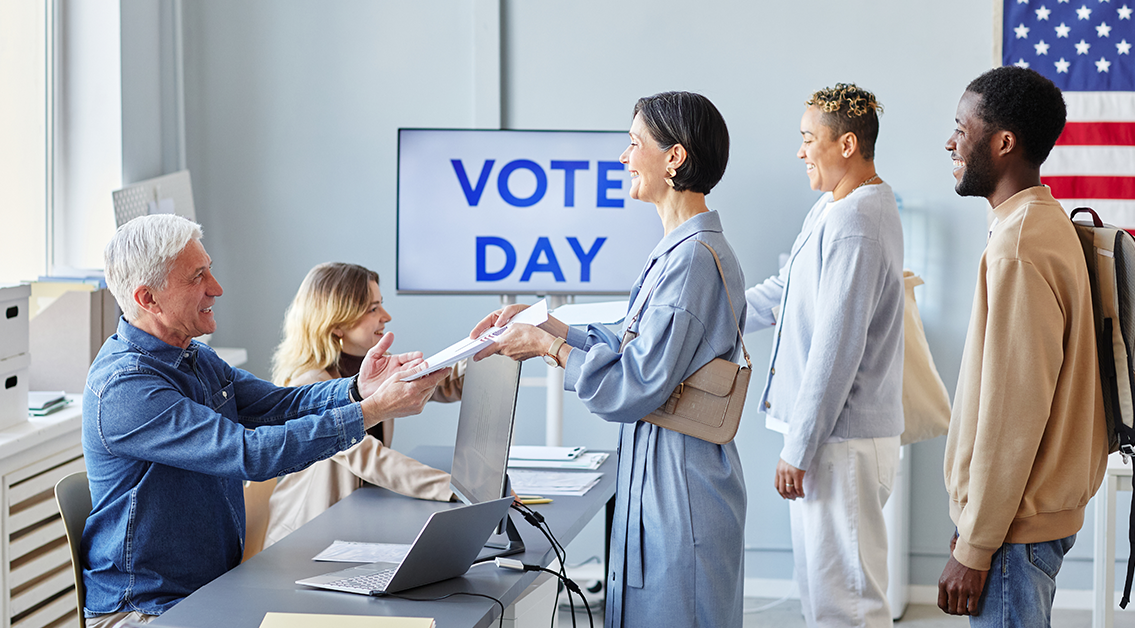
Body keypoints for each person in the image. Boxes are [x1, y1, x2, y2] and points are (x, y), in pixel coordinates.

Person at [81, 215, 447, 626]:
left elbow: (279, 404)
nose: (216, 288)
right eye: (198, 276)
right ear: (148, 299)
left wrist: (358, 389)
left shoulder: (194, 357)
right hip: (150, 612)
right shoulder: (125, 388)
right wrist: (372, 411)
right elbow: (248, 453)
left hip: (211, 591)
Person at [471, 91, 747, 628]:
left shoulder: (691, 258)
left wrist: (546, 347)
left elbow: (635, 384)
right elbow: (634, 342)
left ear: (674, 158)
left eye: (633, 143)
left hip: (680, 486)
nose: (623, 158)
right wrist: (547, 324)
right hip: (667, 473)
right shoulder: (679, 249)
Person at [937, 66, 1107, 627]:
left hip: (1012, 532)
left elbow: (1013, 416)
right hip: (1020, 522)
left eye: (962, 129)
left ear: (1002, 142)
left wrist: (976, 544)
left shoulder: (1019, 246)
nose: (951, 142)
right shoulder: (1041, 221)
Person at [743, 83, 904, 628]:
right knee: (824, 600)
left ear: (847, 144)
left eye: (809, 138)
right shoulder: (831, 209)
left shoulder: (856, 222)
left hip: (842, 444)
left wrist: (799, 445)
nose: (800, 150)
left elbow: (837, 348)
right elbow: (780, 294)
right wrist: (702, 313)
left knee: (848, 609)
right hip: (832, 442)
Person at [260, 262, 463, 550]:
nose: (387, 316)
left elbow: (443, 382)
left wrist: (488, 346)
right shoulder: (310, 386)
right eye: (373, 309)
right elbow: (369, 457)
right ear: (338, 323)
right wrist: (454, 488)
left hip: (352, 524)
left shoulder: (373, 367)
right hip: (304, 544)